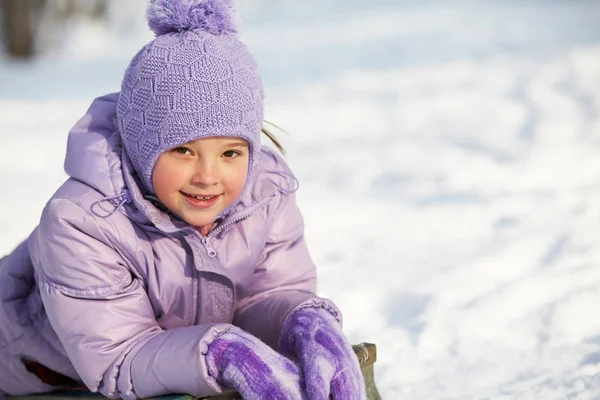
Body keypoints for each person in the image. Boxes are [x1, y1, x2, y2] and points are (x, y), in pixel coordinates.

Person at [0, 1, 366, 399]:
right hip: (41, 378)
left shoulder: (265, 193)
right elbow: (118, 358)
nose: (208, 176)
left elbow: (267, 294)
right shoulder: (83, 222)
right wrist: (221, 353)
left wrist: (300, 320)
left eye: (230, 153)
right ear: (142, 148)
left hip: (153, 367)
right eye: (183, 151)